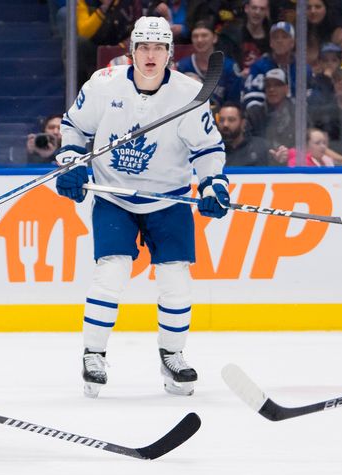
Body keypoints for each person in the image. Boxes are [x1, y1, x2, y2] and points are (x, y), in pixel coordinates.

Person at [55, 16, 229, 398]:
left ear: (170, 53)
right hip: (113, 194)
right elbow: (74, 128)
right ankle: (94, 354)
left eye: (159, 48)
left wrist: (214, 185)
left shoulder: (189, 93)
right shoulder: (103, 85)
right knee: (113, 271)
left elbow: (207, 149)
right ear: (131, 51)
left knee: (176, 280)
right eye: (144, 48)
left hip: (168, 197)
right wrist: (72, 164)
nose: (151, 56)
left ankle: (173, 355)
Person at [176, 19, 242, 108]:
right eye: (195, 36)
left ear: (214, 38)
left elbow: (234, 104)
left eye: (204, 35)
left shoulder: (229, 68)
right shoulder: (182, 67)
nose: (199, 40)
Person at [217, 102, 271, 167]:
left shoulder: (261, 147)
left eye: (231, 120)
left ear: (243, 123)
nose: (225, 124)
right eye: (221, 120)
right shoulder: (212, 150)